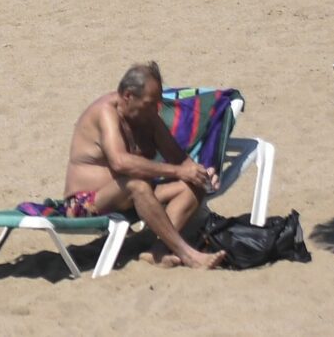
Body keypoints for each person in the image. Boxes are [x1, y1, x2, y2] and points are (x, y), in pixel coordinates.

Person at [64, 62, 224, 269]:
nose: (155, 110)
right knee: (136, 184)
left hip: (132, 197)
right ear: (128, 96)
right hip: (85, 203)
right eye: (150, 103)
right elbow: (119, 162)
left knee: (193, 185)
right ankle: (188, 254)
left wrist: (201, 173)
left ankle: (157, 252)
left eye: (157, 103)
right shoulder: (106, 112)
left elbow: (180, 159)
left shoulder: (147, 117)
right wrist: (179, 170)